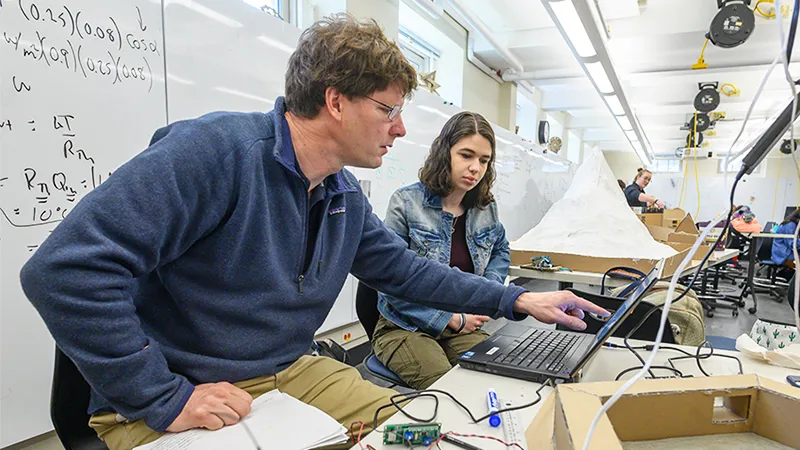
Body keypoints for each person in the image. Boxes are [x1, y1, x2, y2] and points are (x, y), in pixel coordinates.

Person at [19, 14, 608, 450]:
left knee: (422, 437)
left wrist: (518, 298)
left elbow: (402, 270)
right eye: (388, 110)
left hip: (290, 370)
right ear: (335, 102)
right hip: (181, 388)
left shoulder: (341, 193)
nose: (401, 129)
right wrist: (161, 396)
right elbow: (62, 270)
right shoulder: (214, 154)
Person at [372, 111, 505, 389]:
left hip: (464, 323)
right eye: (466, 155)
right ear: (445, 153)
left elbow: (500, 250)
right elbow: (388, 280)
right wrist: (450, 319)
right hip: (405, 326)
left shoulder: (485, 208)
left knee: (493, 379)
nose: (475, 168)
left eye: (484, 160)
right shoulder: (407, 203)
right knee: (448, 390)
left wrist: (485, 294)